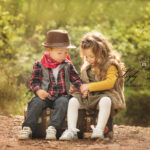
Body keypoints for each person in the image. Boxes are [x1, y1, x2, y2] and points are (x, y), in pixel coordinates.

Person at [60, 32, 126, 140]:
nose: (89, 59)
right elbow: (84, 81)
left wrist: (89, 87)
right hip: (88, 97)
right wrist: (79, 88)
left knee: (106, 101)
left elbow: (109, 83)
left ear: (102, 53)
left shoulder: (111, 65)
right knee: (73, 101)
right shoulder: (87, 66)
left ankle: (99, 129)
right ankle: (72, 130)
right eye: (86, 56)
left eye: (92, 56)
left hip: (104, 95)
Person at [18, 29, 83, 140]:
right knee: (35, 103)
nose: (63, 55)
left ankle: (52, 128)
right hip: (45, 96)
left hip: (61, 96)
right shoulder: (39, 64)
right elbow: (34, 82)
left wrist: (81, 87)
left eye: (66, 52)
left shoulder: (68, 65)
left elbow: (76, 79)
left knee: (63, 103)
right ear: (49, 50)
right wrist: (38, 91)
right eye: (59, 52)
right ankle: (27, 128)